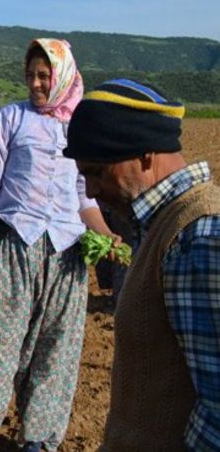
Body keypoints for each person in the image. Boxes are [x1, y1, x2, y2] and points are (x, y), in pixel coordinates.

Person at [0, 39, 114, 452]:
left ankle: (37, 442)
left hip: (66, 256)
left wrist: (109, 236)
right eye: (31, 76)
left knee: (55, 357)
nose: (36, 84)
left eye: (45, 76)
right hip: (12, 250)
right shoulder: (12, 117)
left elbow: (85, 198)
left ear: (61, 76)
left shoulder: (79, 127)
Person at [64, 79, 220, 451]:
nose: (90, 191)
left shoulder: (194, 237)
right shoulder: (164, 226)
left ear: (146, 155)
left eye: (98, 172)